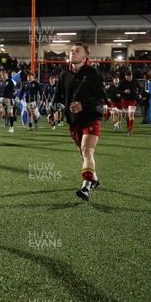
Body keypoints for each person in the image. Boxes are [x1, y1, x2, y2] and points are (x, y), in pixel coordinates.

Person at [53, 43, 107, 202]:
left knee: (87, 150)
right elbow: (57, 97)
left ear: (85, 57)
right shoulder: (64, 75)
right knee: (82, 152)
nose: (72, 52)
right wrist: (53, 112)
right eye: (71, 50)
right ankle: (94, 179)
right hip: (73, 121)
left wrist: (83, 105)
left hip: (90, 117)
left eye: (77, 51)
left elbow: (101, 97)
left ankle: (86, 187)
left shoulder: (93, 73)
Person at [119, 70, 140, 135]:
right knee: (127, 115)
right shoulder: (122, 82)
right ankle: (128, 127)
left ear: (132, 76)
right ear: (125, 76)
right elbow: (118, 90)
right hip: (125, 100)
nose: (129, 78)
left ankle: (130, 129)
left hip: (133, 99)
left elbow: (140, 88)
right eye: (128, 77)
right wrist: (124, 91)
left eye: (130, 77)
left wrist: (140, 94)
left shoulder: (135, 81)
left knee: (131, 114)